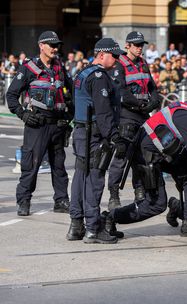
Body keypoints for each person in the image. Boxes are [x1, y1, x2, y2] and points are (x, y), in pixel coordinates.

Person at [103, 88, 187, 237]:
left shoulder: (182, 108)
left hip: (157, 153)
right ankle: (110, 217)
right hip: (147, 158)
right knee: (155, 204)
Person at [65, 38, 127, 244]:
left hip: (82, 132)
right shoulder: (99, 76)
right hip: (94, 135)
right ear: (102, 54)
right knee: (95, 180)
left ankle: (76, 225)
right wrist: (114, 137)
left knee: (80, 179)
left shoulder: (82, 73)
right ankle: (93, 228)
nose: (117, 60)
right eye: (114, 55)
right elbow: (103, 112)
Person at [6, 31, 73, 216]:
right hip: (37, 125)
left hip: (57, 125)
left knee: (59, 166)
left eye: (56, 45)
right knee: (31, 165)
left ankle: (61, 201)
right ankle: (24, 201)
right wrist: (23, 114)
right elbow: (11, 95)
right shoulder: (29, 68)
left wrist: (69, 117)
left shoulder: (60, 67)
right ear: (41, 45)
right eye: (51, 45)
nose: (54, 48)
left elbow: (71, 92)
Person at [107, 32, 161, 210]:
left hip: (143, 116)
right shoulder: (119, 64)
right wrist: (139, 104)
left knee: (142, 156)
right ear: (127, 45)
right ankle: (114, 194)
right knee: (121, 156)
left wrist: (153, 102)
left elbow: (152, 87)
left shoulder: (143, 64)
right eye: (136, 45)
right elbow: (121, 91)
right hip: (127, 116)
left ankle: (140, 190)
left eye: (141, 45)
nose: (139, 48)